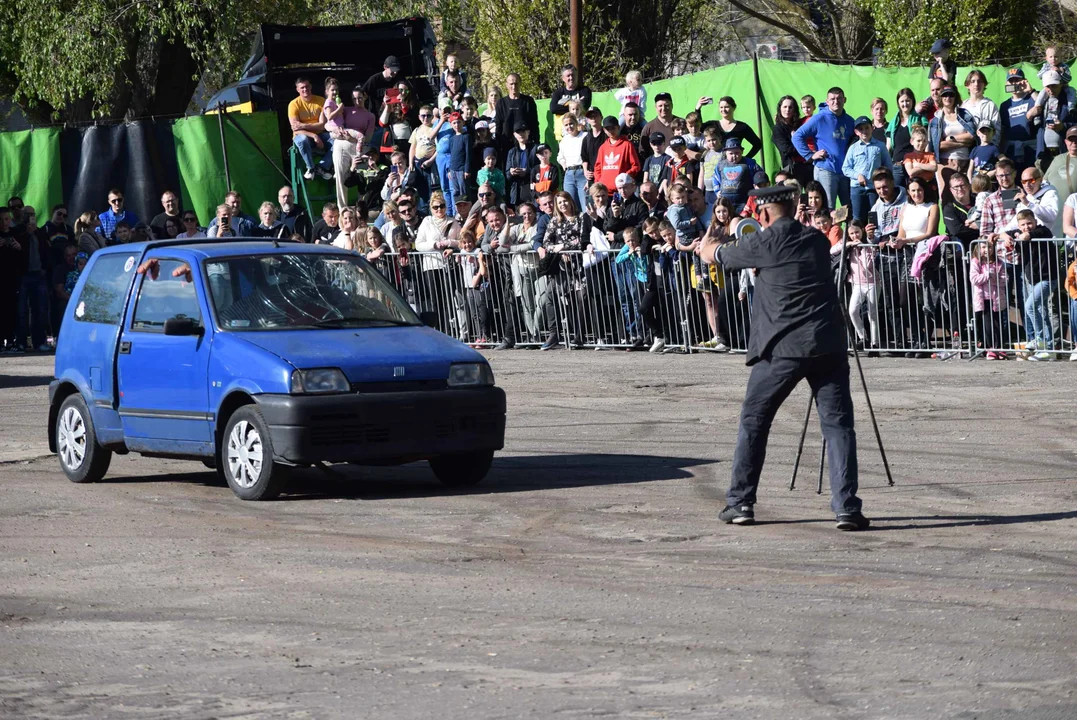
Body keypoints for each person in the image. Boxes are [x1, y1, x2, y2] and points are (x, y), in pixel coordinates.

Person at [698, 184, 867, 530]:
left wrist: (710, 240)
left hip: (782, 348)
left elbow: (713, 256)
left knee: (754, 421)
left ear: (762, 214)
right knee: (838, 427)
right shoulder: (816, 240)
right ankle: (846, 507)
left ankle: (741, 502)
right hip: (828, 343)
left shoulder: (761, 242)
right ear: (793, 206)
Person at [999, 209, 1057, 360]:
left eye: (1029, 223)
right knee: (1040, 311)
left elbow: (1033, 234)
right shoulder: (1017, 232)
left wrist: (1026, 235)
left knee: (1030, 306)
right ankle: (1049, 349)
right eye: (1023, 224)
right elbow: (1002, 233)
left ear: (1035, 222)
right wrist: (1006, 237)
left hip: (1047, 278)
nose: (1027, 227)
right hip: (1032, 279)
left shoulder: (1043, 231)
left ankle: (1040, 341)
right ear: (1019, 225)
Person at [538, 192, 591, 349]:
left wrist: (565, 247)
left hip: (580, 266)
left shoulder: (582, 217)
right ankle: (554, 333)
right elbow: (547, 242)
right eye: (559, 202)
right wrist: (559, 250)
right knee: (549, 296)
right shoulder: (555, 220)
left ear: (571, 201)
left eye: (565, 201)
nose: (562, 205)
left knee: (581, 299)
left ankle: (579, 337)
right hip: (561, 267)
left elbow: (583, 241)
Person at [792, 87, 855, 210]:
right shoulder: (819, 118)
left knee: (848, 209)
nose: (836, 102)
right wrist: (810, 156)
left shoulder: (849, 121)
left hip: (845, 172)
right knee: (827, 208)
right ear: (827, 101)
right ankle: (825, 230)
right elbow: (797, 137)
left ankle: (848, 230)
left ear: (844, 100)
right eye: (832, 99)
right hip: (826, 170)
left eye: (839, 99)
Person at [327, 85, 377, 209]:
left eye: (360, 98)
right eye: (354, 99)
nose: (357, 101)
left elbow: (368, 137)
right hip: (341, 145)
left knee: (361, 176)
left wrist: (352, 139)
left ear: (365, 97)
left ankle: (362, 209)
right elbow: (330, 122)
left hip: (359, 147)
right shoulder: (346, 110)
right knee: (341, 176)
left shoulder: (370, 116)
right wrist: (335, 130)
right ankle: (342, 208)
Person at [843, 115, 894, 222]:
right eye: (861, 129)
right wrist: (857, 175)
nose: (864, 131)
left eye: (867, 128)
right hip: (857, 189)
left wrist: (881, 180)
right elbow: (846, 168)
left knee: (874, 217)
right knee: (857, 219)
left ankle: (873, 238)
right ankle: (859, 238)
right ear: (856, 132)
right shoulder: (853, 148)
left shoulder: (880, 146)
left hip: (874, 188)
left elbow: (888, 166)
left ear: (872, 128)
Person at [838, 220, 878, 352]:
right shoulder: (849, 245)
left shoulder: (868, 244)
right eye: (852, 234)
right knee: (852, 311)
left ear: (862, 231)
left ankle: (874, 344)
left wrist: (863, 247)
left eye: (857, 232)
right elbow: (833, 250)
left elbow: (868, 265)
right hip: (857, 283)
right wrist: (848, 244)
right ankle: (863, 337)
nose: (855, 236)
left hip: (872, 283)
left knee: (872, 314)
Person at [928, 84, 976, 186]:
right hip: (945, 162)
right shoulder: (936, 120)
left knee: (966, 194)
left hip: (966, 161)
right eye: (945, 95)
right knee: (946, 197)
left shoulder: (965, 115)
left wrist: (951, 139)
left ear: (955, 97)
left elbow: (971, 137)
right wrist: (962, 143)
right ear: (940, 98)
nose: (948, 98)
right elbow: (938, 145)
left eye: (951, 95)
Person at [1028, 70, 1077, 170]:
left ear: (1061, 84)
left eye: (1054, 85)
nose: (1050, 89)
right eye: (1047, 86)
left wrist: (1063, 126)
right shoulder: (1040, 102)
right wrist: (1029, 117)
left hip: (1064, 152)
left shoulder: (1071, 102)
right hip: (1043, 154)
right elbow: (1032, 129)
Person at [970, 237, 1008, 359]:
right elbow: (974, 279)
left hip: (996, 298)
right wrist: (987, 275)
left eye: (990, 247)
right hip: (983, 298)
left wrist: (995, 278)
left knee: (997, 323)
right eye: (984, 247)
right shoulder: (975, 262)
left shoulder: (999, 262)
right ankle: (990, 348)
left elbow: (1004, 279)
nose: (987, 250)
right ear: (979, 248)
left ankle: (999, 347)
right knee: (987, 324)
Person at [289, 77, 333, 181]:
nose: (305, 89)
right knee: (303, 139)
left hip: (321, 134)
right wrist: (314, 135)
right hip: (303, 136)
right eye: (302, 87)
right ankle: (311, 168)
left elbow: (323, 125)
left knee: (338, 141)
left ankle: (322, 167)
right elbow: (295, 129)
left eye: (307, 86)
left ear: (311, 86)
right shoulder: (293, 104)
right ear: (297, 90)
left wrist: (303, 125)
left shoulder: (321, 101)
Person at [886, 88, 926, 188]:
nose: (905, 104)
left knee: (915, 195)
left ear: (913, 101)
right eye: (902, 101)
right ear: (898, 103)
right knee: (898, 197)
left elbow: (926, 141)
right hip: (897, 166)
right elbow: (889, 146)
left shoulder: (921, 119)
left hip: (915, 165)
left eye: (908, 100)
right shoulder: (893, 122)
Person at [999, 69, 1038, 172]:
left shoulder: (1032, 98)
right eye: (1011, 81)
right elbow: (1003, 130)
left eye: (1017, 80)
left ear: (1024, 81)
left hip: (1031, 150)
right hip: (1011, 151)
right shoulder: (1004, 105)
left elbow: (1042, 105)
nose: (1014, 83)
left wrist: (1031, 90)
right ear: (1007, 83)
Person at [772, 94, 812, 188]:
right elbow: (786, 149)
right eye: (785, 107)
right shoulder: (778, 128)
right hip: (792, 168)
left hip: (808, 164)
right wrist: (803, 146)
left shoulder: (800, 124)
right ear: (780, 109)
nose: (787, 110)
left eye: (790, 107)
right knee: (794, 195)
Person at [595, 116, 642, 191]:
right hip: (605, 192)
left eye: (613, 128)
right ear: (604, 130)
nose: (610, 131)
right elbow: (597, 168)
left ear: (618, 127)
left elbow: (636, 166)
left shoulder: (627, 145)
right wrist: (599, 182)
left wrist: (625, 177)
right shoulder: (602, 148)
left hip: (622, 190)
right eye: (608, 129)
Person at [495, 74, 539, 153]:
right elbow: (498, 125)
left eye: (516, 83)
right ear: (507, 85)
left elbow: (534, 124)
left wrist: (536, 142)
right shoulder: (501, 103)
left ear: (520, 83)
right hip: (506, 145)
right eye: (511, 84)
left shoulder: (528, 101)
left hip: (525, 144)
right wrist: (498, 144)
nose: (514, 87)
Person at [962, 70, 1000, 142]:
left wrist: (989, 149)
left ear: (984, 84)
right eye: (973, 81)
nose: (976, 84)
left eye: (979, 81)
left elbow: (996, 131)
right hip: (965, 149)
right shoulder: (962, 106)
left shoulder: (990, 105)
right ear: (967, 85)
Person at [504, 123, 537, 206]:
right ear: (514, 135)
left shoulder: (535, 149)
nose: (521, 134)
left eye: (523, 131)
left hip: (531, 188)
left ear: (528, 132)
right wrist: (512, 172)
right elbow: (507, 174)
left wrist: (527, 172)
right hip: (517, 190)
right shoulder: (512, 152)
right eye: (518, 132)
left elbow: (539, 168)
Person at [51, 244, 80, 333]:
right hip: (68, 301)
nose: (71, 257)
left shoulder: (84, 267)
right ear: (64, 257)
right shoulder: (60, 269)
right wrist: (75, 301)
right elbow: (60, 292)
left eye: (74, 254)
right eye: (68, 255)